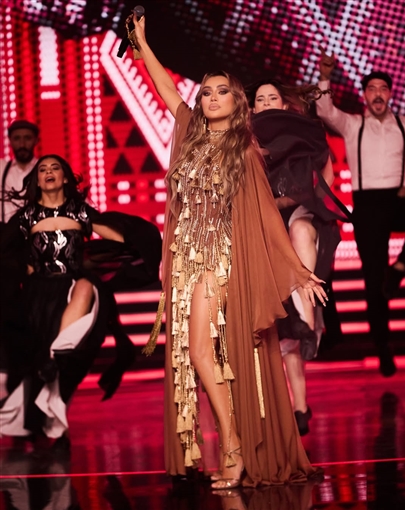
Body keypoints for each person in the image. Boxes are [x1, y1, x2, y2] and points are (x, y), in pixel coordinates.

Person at [131, 14, 327, 489]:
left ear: (237, 101)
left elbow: (265, 215)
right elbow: (165, 89)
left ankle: (235, 449)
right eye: (206, 92)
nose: (212, 98)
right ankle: (232, 445)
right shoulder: (189, 133)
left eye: (222, 91)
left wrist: (298, 269)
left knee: (202, 353)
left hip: (220, 260)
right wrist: (142, 42)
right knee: (199, 356)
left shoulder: (243, 149)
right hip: (186, 260)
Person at [0, 154, 162, 443]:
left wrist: (144, 244)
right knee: (34, 364)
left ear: (65, 177)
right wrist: (23, 266)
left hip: (72, 290)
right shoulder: (26, 216)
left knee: (86, 290)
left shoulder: (79, 211)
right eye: (43, 169)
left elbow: (121, 238)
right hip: (37, 297)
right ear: (37, 180)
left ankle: (55, 359)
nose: (48, 172)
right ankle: (45, 418)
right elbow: (5, 249)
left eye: (55, 168)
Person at [246, 78, 350, 435]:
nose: (267, 102)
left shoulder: (303, 134)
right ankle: (294, 409)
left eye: (272, 97)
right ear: (252, 107)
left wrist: (306, 197)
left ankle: (299, 402)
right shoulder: (243, 142)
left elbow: (325, 171)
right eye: (261, 99)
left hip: (299, 221)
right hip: (262, 234)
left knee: (301, 234)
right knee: (277, 335)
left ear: (283, 104)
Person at [316, 47, 405, 377]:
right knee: (373, 281)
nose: (378, 94)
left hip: (399, 199)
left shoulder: (404, 124)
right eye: (372, 89)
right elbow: (325, 110)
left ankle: (401, 266)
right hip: (368, 205)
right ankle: (383, 347)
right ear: (365, 95)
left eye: (383, 89)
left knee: (386, 275)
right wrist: (325, 76)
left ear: (391, 94)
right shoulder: (353, 124)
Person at [0, 119, 39, 225]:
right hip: (4, 233)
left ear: (36, 140)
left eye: (27, 138)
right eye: (17, 138)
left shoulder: (46, 169)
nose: (22, 144)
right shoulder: (1, 168)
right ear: (10, 141)